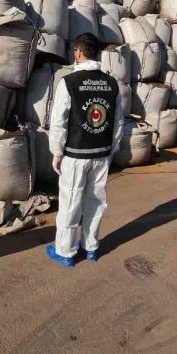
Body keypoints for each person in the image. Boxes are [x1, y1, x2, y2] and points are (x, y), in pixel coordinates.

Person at [46, 32, 123, 267]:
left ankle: (66, 252)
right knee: (96, 202)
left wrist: (56, 152)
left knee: (71, 202)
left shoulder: (68, 82)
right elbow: (118, 122)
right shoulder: (112, 83)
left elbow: (58, 121)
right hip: (101, 153)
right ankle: (91, 248)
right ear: (98, 54)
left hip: (75, 154)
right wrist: (112, 150)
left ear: (78, 52)